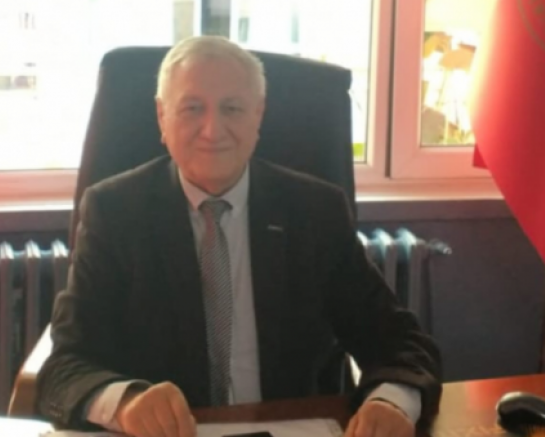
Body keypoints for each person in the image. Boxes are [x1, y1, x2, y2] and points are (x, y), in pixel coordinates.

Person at [35, 36, 442, 437]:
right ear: (162, 117)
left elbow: (401, 343)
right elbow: (65, 365)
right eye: (192, 108)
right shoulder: (114, 212)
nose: (213, 130)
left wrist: (391, 402)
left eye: (232, 108)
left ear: (258, 116)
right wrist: (125, 403)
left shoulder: (314, 212)